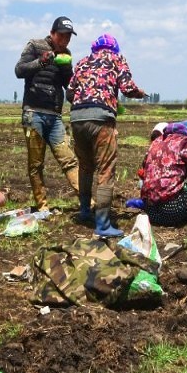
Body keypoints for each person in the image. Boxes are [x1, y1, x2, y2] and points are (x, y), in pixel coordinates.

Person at [68, 33, 146, 237]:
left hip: (77, 118)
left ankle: (85, 210)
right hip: (101, 118)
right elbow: (127, 88)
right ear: (115, 49)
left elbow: (69, 92)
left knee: (85, 167)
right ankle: (103, 224)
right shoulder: (117, 59)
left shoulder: (83, 62)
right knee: (105, 169)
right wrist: (139, 93)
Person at [14, 16, 80, 212]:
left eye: (68, 37)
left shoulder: (66, 54)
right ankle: (42, 206)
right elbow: (19, 70)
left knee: (69, 159)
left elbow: (68, 86)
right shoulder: (35, 45)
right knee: (36, 164)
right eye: (62, 35)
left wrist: (69, 72)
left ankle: (86, 201)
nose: (65, 40)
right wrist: (41, 62)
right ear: (52, 33)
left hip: (55, 115)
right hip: (34, 113)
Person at [140, 120, 187, 226]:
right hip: (173, 211)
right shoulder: (184, 142)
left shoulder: (156, 142)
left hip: (151, 212)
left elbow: (144, 168)